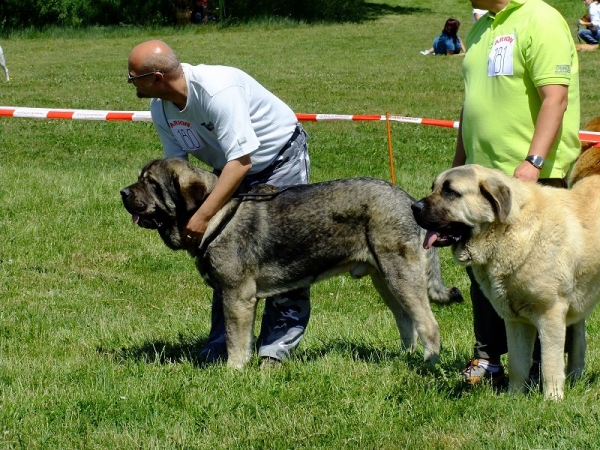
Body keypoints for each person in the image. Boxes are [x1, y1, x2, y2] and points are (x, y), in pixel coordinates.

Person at [127, 40, 311, 366]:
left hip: (277, 160)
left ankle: (276, 352)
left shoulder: (216, 92)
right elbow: (176, 169)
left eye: (133, 78)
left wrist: (202, 218)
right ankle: (223, 348)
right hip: (226, 169)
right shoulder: (161, 107)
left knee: (285, 255)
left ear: (156, 77)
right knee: (221, 259)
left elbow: (241, 163)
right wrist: (175, 215)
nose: (130, 82)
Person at [454, 0, 581, 386]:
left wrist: (534, 161)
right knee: (483, 273)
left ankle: (552, 372)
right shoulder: (481, 27)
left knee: (546, 281)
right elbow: (470, 103)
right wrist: (459, 162)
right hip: (480, 184)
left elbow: (555, 98)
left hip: (530, 182)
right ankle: (488, 359)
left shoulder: (540, 18)